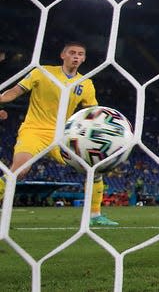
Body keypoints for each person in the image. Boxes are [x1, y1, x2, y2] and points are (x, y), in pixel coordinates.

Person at [0, 42, 118, 226]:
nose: (76, 56)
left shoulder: (86, 84)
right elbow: (13, 92)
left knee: (93, 167)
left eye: (80, 54)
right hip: (34, 130)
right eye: (72, 53)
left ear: (84, 58)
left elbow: (92, 114)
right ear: (63, 55)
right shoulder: (42, 72)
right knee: (18, 171)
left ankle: (95, 216)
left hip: (62, 136)